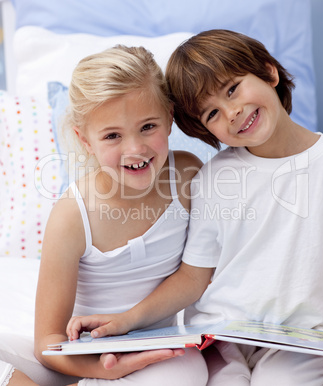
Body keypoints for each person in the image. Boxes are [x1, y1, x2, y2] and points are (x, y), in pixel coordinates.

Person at [66, 30, 323, 385]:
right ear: (203, 130)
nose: (233, 112)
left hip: (302, 340)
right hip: (221, 339)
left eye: (232, 89)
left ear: (269, 72)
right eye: (213, 113)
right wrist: (127, 319)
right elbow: (194, 277)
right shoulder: (214, 177)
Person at [0, 45, 208, 385]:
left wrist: (126, 321)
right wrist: (99, 369)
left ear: (170, 117)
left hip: (156, 352)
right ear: (85, 141)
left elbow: (194, 277)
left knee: (186, 373)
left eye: (148, 127)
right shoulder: (73, 215)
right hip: (81, 358)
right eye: (112, 135)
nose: (135, 149)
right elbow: (48, 343)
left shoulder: (187, 176)